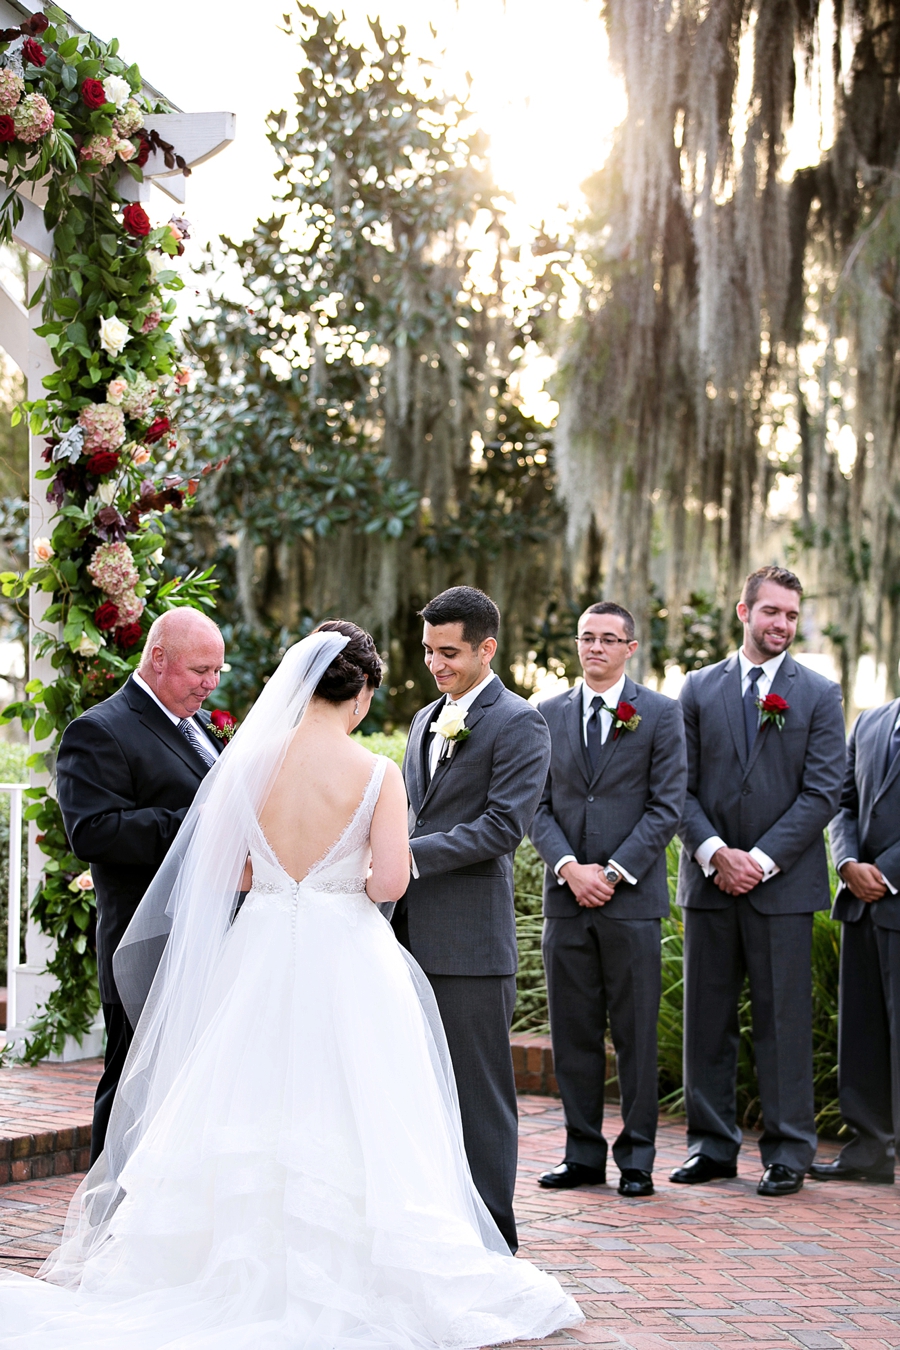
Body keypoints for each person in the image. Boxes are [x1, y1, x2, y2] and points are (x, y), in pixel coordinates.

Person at [0, 623, 582, 1350]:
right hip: (349, 955)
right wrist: (345, 875)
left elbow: (230, 869)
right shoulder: (375, 775)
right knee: (360, 1105)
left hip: (261, 950)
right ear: (362, 693)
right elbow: (390, 882)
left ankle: (218, 1267)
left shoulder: (248, 766)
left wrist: (285, 877)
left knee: (247, 1095)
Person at [673, 565, 846, 1196]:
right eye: (771, 611)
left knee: (783, 1022)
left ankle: (788, 1153)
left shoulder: (820, 694)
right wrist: (717, 853)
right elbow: (678, 787)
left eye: (792, 615)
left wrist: (761, 860)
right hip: (709, 883)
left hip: (783, 889)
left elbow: (823, 792)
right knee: (707, 1020)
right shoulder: (695, 689)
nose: (782, 624)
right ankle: (712, 1146)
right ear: (743, 613)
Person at [392, 587, 551, 1254]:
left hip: (470, 947)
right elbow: (409, 810)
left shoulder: (520, 723)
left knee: (480, 1100)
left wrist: (404, 857)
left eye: (449, 651)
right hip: (402, 936)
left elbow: (500, 829)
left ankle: (496, 1244)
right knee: (417, 1093)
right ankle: (438, 1232)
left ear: (487, 648)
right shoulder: (425, 717)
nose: (435, 663)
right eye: (429, 650)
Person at [55, 608, 225, 1163]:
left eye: (217, 672)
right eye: (201, 669)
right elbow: (92, 832)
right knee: (131, 1083)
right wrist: (197, 828)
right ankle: (106, 1216)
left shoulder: (192, 724)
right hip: (142, 944)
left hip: (199, 938)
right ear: (158, 658)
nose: (211, 683)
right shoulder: (101, 729)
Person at [529, 601, 687, 1198]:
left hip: (632, 904)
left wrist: (613, 874)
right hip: (566, 900)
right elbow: (535, 806)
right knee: (572, 1033)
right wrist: (570, 868)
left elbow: (666, 807)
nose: (595, 647)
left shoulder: (662, 715)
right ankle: (582, 1154)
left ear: (630, 648)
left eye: (607, 639)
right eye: (586, 637)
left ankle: (638, 1159)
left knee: (635, 1034)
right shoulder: (546, 715)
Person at [809, 695, 900, 1184]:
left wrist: (885, 871)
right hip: (861, 903)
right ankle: (869, 1148)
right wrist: (846, 863)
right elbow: (843, 803)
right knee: (862, 1033)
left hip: (893, 890)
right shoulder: (872, 720)